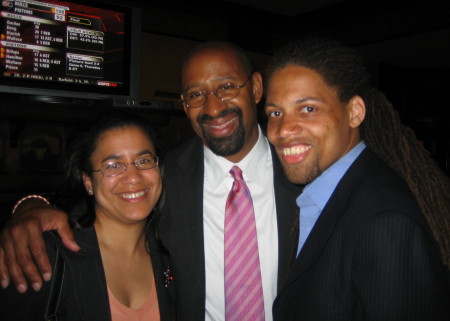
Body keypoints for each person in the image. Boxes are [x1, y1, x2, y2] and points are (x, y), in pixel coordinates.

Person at [0, 41, 300, 321]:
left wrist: (28, 205)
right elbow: (99, 204)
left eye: (227, 87)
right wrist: (28, 207)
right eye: (196, 94)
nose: (213, 107)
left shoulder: (307, 171)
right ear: (184, 104)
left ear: (257, 87)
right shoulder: (167, 176)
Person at [263, 37, 450, 320]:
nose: (283, 129)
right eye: (276, 113)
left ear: (354, 112)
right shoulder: (321, 195)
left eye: (308, 108)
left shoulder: (385, 222)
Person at [0, 110, 175, 320]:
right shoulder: (42, 254)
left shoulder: (172, 250)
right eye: (113, 165)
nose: (133, 177)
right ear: (88, 181)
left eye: (144, 160)